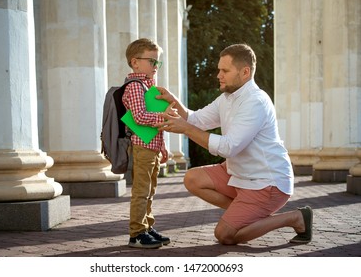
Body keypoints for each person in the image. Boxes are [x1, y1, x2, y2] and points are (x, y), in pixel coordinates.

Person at [156, 43, 313, 245]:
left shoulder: (256, 101)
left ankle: (296, 218)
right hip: (237, 175)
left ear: (245, 72)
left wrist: (185, 129)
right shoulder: (226, 98)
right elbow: (196, 120)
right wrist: (175, 102)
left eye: (225, 70)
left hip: (266, 182)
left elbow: (228, 147)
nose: (218, 75)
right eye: (219, 70)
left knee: (225, 235)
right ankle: (245, 212)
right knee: (192, 178)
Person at [122, 38, 170, 249]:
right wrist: (164, 115)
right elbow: (140, 117)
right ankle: (137, 233)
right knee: (141, 191)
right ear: (135, 62)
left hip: (152, 147)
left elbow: (153, 123)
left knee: (150, 191)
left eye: (157, 62)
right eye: (152, 61)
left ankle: (147, 227)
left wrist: (162, 146)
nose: (155, 67)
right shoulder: (134, 87)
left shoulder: (148, 88)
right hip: (142, 147)